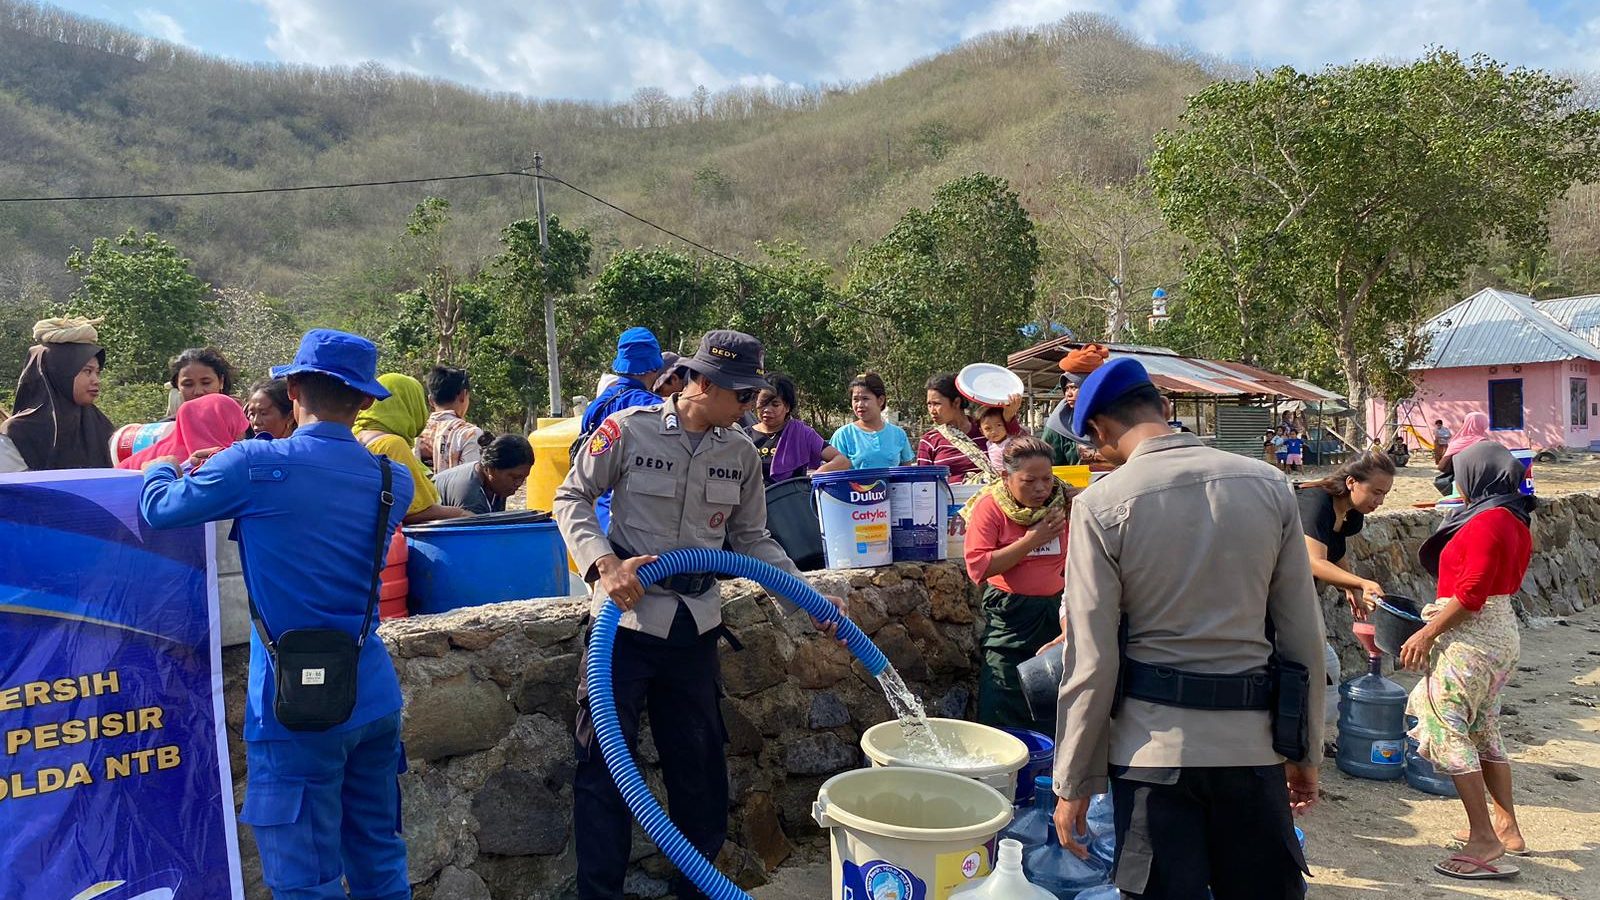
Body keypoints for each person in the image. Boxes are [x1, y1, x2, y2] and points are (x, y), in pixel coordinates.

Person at [554, 330, 850, 900]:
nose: (748, 408)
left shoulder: (738, 452)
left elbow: (752, 539)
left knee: (701, 773)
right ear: (703, 384)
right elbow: (570, 498)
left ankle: (697, 891)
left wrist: (807, 597)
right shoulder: (627, 430)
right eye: (741, 396)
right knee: (603, 772)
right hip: (624, 628)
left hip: (695, 627)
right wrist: (603, 566)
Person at [138, 328, 415, 900]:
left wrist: (162, 468)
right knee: (381, 862)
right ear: (366, 400)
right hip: (373, 694)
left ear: (292, 389)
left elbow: (161, 511)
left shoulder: (254, 465)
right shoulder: (395, 478)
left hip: (294, 707)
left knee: (304, 881)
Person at [1051, 358, 1325, 899]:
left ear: (1101, 431)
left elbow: (1093, 660)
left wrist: (1074, 782)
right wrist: (1305, 752)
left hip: (1152, 758)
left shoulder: (1100, 506)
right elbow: (1302, 635)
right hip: (1253, 749)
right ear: (1168, 409)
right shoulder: (1270, 485)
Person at [1403, 442, 1535, 881]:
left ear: (1478, 475)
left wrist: (1426, 631)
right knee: (1483, 728)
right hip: (1501, 632)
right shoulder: (1514, 517)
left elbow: (1471, 594)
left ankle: (1483, 836)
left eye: (1460, 472)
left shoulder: (1486, 521)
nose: (1456, 480)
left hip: (1471, 638)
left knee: (1446, 724)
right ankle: (1506, 826)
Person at [961, 437, 1069, 729]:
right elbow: (978, 567)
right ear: (1005, 477)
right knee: (1003, 701)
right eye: (1029, 480)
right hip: (1010, 619)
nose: (1040, 488)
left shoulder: (1063, 505)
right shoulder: (991, 507)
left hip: (1055, 616)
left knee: (1053, 704)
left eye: (1047, 479)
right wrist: (1032, 540)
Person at [581, 327, 674, 532]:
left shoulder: (596, 406)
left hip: (598, 519)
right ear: (655, 367)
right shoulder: (653, 407)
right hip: (635, 522)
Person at [0, 317, 114, 473]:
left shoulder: (101, 426)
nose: (96, 380)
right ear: (60, 373)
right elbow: (18, 492)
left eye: (97, 372)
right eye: (87, 371)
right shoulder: (17, 434)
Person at [353, 373, 469, 525]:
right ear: (411, 405)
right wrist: (461, 514)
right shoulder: (392, 445)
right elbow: (414, 511)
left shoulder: (353, 436)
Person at [1296, 450, 1396, 619]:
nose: (1380, 502)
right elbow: (1315, 562)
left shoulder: (1353, 512)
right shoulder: (1316, 504)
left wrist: (1351, 588)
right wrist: (1361, 583)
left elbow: (1334, 548)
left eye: (1384, 494)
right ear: (1351, 482)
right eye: (1376, 492)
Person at [917, 372, 1022, 482]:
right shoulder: (929, 440)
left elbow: (1017, 444)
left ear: (956, 402)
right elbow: (923, 483)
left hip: (990, 497)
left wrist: (1009, 416)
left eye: (937, 404)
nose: (932, 410)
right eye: (929, 404)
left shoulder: (986, 429)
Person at [743, 372, 846, 484]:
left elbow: (842, 461)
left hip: (794, 498)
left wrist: (817, 474)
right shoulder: (743, 436)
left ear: (787, 407)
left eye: (775, 404)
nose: (767, 410)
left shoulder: (803, 434)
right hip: (753, 499)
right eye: (763, 403)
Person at [118, 393, 250, 471]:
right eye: (240, 425)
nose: (243, 435)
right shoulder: (216, 467)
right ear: (228, 426)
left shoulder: (155, 453)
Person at [1042, 344, 1110, 466]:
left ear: (1090, 388)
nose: (1068, 394)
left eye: (1073, 388)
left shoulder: (1116, 416)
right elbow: (1045, 466)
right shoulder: (1058, 424)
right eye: (1066, 389)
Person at [433, 434, 534, 515]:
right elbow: (475, 536)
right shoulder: (469, 492)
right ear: (490, 469)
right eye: (515, 477)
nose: (519, 483)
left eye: (524, 478)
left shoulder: (497, 485)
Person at [831, 372, 914, 470]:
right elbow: (834, 474)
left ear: (881, 400)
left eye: (865, 398)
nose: (860, 405)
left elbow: (906, 474)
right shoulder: (843, 435)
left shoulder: (898, 434)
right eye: (855, 399)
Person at [417, 365, 486, 472]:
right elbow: (470, 480)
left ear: (430, 400)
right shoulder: (470, 434)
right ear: (463, 395)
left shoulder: (415, 431)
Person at [168, 347, 236, 408]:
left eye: (206, 383)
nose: (198, 392)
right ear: (178, 386)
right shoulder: (171, 422)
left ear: (221, 382)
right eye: (188, 384)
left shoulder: (239, 419)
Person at [978, 405, 1023, 471]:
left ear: (1005, 424)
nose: (994, 431)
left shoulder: (1011, 442)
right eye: (988, 428)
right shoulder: (989, 443)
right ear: (982, 431)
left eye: (999, 425)